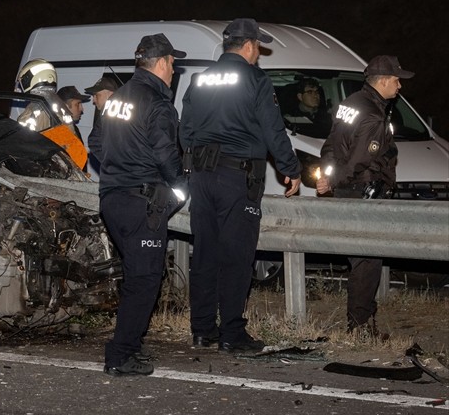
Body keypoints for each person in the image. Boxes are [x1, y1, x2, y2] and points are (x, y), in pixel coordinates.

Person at [180, 18, 301, 353]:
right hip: (237, 178)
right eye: (258, 46)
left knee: (204, 253)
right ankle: (232, 332)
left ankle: (203, 329)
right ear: (248, 46)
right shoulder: (255, 79)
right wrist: (290, 168)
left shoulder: (201, 80)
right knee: (236, 256)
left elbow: (185, 128)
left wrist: (191, 167)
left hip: (202, 178)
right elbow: (272, 130)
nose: (259, 52)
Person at [98, 33, 189, 376]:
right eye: (173, 63)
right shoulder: (157, 103)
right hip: (141, 203)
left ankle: (130, 347)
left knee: (137, 276)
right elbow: (166, 154)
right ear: (162, 62)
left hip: (113, 199)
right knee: (145, 279)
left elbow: (99, 144)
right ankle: (120, 355)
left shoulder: (117, 98)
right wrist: (180, 187)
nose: (174, 69)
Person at [316, 55, 414, 335]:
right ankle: (359, 326)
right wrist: (333, 181)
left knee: (360, 259)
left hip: (347, 192)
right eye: (396, 80)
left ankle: (360, 322)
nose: (399, 86)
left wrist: (327, 176)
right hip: (363, 192)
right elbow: (359, 160)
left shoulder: (350, 104)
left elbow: (332, 146)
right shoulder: (372, 114)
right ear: (382, 81)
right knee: (367, 261)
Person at [14, 58, 88, 171]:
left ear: (31, 79)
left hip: (45, 173)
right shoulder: (59, 105)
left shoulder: (35, 109)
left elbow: (21, 146)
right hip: (65, 169)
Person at [83, 74, 119, 177]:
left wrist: (113, 165)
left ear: (110, 94)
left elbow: (94, 142)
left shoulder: (109, 113)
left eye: (96, 95)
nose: (94, 101)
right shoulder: (129, 110)